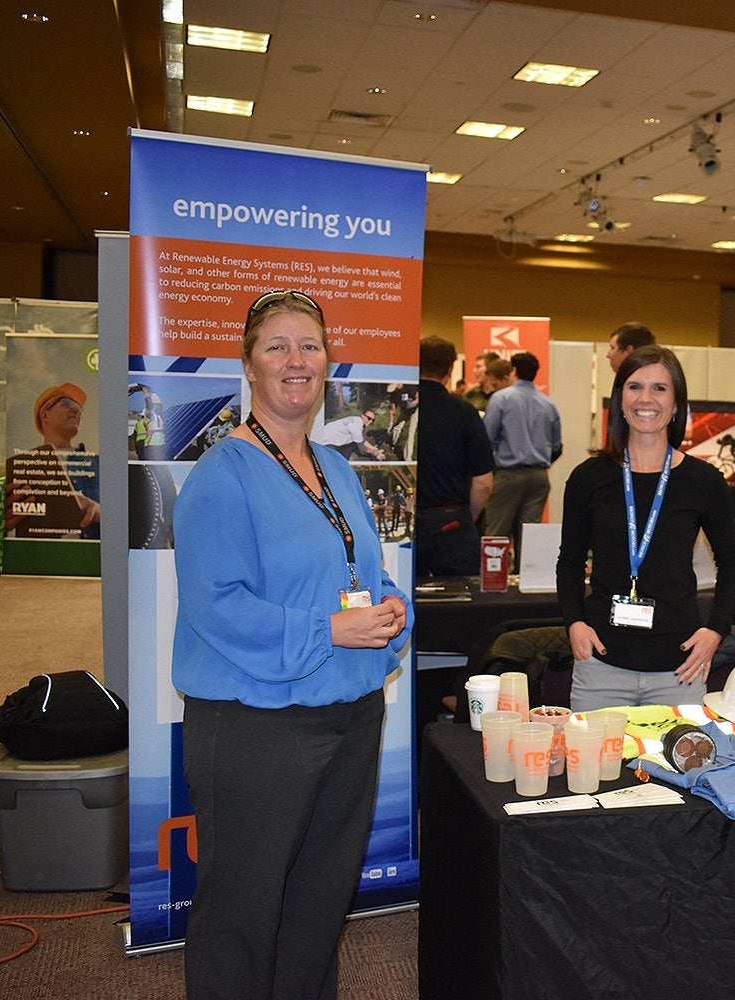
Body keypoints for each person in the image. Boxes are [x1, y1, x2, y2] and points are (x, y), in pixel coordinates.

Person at [171, 289, 411, 1000]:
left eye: (309, 346)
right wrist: (328, 630)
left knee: (317, 904)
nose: (295, 360)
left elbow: (358, 571)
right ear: (248, 366)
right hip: (258, 728)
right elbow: (218, 607)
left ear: (328, 364)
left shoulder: (336, 468)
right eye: (276, 346)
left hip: (351, 712)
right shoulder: (221, 476)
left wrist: (389, 610)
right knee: (242, 915)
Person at [557, 345, 735, 711]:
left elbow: (732, 564)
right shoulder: (588, 478)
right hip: (600, 667)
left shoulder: (703, 481)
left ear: (676, 404)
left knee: (677, 767)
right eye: (634, 387)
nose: (646, 399)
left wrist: (715, 631)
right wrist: (574, 623)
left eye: (660, 388)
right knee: (597, 767)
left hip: (678, 670)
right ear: (620, 399)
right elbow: (570, 562)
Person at [417, 336, 495, 576]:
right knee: (458, 606)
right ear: (450, 369)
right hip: (452, 525)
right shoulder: (465, 412)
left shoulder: (400, 407)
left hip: (408, 527)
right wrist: (465, 519)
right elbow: (483, 483)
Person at [483, 351, 562, 564]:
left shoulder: (501, 399)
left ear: (514, 371)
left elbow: (487, 438)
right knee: (529, 535)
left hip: (508, 474)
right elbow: (557, 446)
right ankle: (526, 582)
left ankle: (494, 582)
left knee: (496, 533)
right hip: (539, 476)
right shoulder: (549, 404)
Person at [4, 382, 101, 538]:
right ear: (45, 414)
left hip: (88, 557)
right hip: (39, 558)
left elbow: (131, 515)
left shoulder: (100, 464)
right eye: (67, 403)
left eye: (80, 409)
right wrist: (0, 521)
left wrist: (99, 511)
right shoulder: (20, 467)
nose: (77, 411)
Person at [312, 406, 378, 460]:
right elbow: (362, 447)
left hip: (328, 441)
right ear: (363, 416)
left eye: (373, 420)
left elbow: (363, 440)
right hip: (326, 443)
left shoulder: (357, 421)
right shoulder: (357, 426)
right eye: (369, 418)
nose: (371, 421)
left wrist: (373, 448)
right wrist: (375, 453)